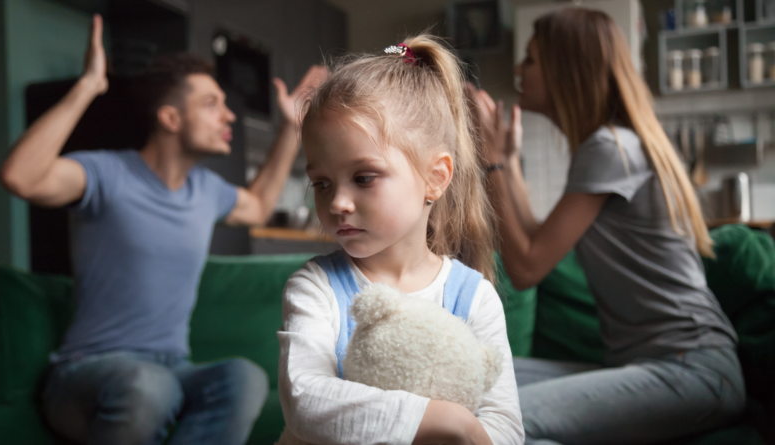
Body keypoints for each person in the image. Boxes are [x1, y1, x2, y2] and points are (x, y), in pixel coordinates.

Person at [0, 14, 326, 445]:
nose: (229, 115)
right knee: (149, 387)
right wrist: (88, 87)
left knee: (243, 378)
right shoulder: (107, 174)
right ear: (170, 118)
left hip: (173, 366)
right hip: (86, 371)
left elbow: (259, 205)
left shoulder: (205, 189)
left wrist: (291, 127)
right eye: (212, 104)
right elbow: (21, 177)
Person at [470, 8, 744, 445]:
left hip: (692, 370)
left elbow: (525, 268)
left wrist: (492, 161)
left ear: (567, 71)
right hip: (649, 366)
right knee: (469, 377)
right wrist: (509, 159)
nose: (519, 69)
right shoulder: (608, 145)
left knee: (496, 424)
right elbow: (536, 236)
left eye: (532, 59)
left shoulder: (609, 147)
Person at [276, 35, 524, 445]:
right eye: (321, 183)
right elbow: (305, 399)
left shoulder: (474, 298)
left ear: (435, 178)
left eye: (364, 178)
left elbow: (504, 428)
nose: (337, 202)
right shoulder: (315, 288)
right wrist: (451, 422)